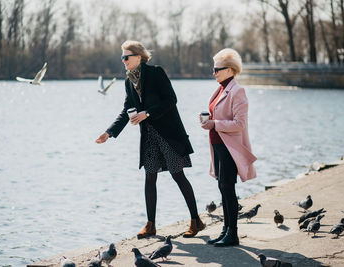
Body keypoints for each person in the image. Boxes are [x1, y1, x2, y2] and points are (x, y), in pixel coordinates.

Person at [96, 40, 205, 239]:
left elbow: (171, 100)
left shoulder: (156, 73)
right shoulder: (129, 82)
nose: (124, 61)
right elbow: (126, 110)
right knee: (149, 177)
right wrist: (109, 132)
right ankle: (151, 225)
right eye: (122, 57)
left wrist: (147, 113)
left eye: (126, 57)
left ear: (138, 56)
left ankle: (195, 220)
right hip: (148, 137)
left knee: (177, 175)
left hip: (168, 133)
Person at [200, 48, 257, 247]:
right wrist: (208, 122)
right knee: (222, 186)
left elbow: (240, 124)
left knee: (227, 187)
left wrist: (215, 124)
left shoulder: (237, 91)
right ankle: (226, 230)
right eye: (213, 69)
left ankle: (233, 234)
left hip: (230, 147)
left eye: (217, 69)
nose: (214, 72)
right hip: (217, 145)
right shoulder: (220, 89)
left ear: (231, 70)